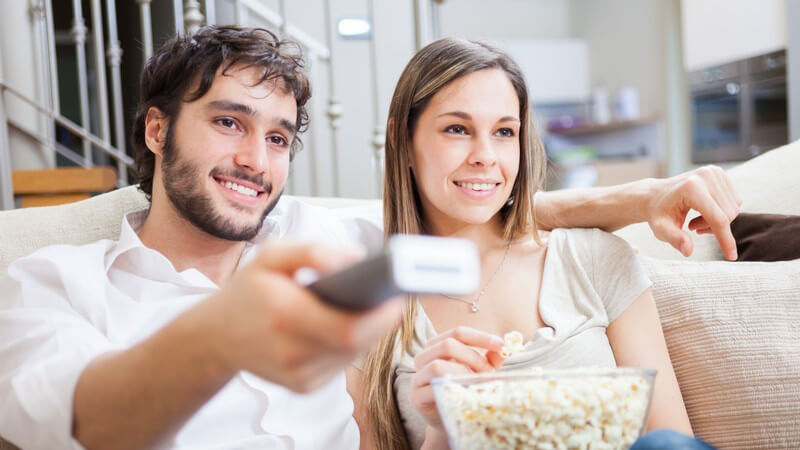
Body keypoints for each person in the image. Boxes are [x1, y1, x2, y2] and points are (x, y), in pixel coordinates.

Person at [0, 26, 736, 450]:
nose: (257, 161)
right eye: (229, 122)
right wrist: (224, 334)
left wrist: (645, 196)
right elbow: (85, 419)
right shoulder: (53, 283)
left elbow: (475, 206)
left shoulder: (325, 238)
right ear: (157, 129)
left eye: (279, 137)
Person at [348, 38, 721, 449]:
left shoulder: (595, 260)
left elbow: (671, 439)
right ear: (402, 139)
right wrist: (444, 425)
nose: (486, 156)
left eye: (504, 132)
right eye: (458, 129)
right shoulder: (368, 307)